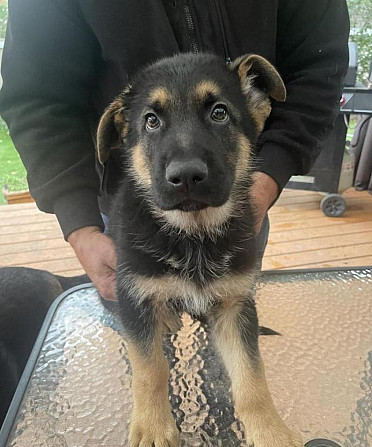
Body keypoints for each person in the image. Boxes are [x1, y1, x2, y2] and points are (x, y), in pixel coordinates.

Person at [0, 1, 349, 301]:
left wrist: (268, 177)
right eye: (152, 118)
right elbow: (36, 96)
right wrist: (81, 228)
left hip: (241, 195)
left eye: (217, 111)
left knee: (231, 319)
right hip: (129, 211)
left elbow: (318, 64)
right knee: (141, 339)